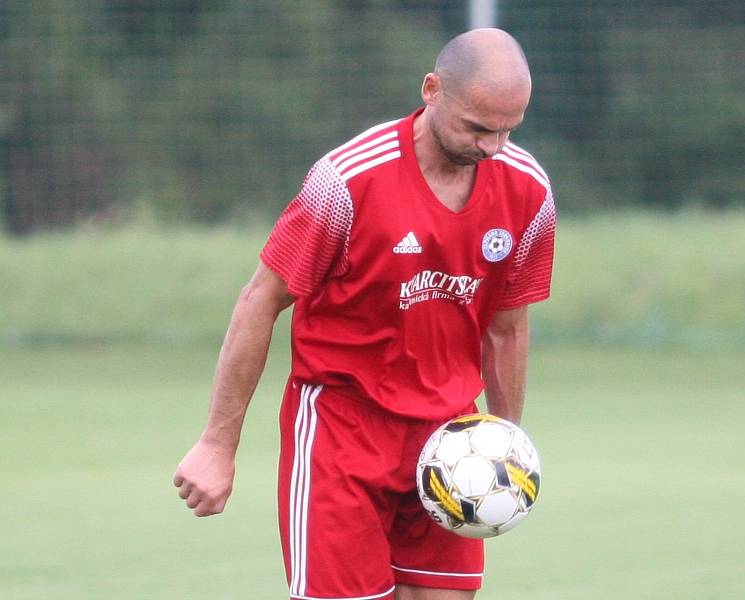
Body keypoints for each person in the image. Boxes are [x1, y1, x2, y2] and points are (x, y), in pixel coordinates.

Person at [174, 27, 555, 600]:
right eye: (478, 127)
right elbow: (259, 301)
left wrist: (507, 444)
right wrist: (216, 445)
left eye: (508, 129)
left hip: (451, 440)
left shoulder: (527, 191)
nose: (493, 145)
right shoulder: (347, 182)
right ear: (431, 90)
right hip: (341, 434)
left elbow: (506, 327)